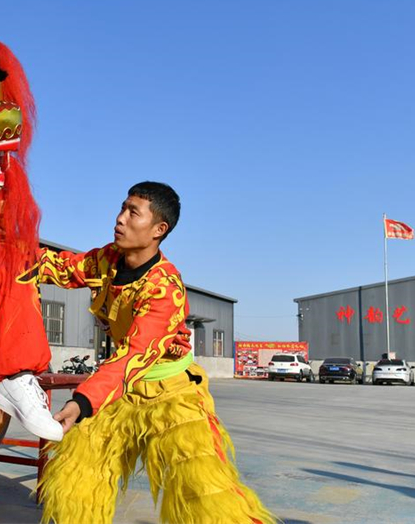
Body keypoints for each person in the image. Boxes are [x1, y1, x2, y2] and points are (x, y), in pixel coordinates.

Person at [26, 181, 275, 524]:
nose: (120, 219)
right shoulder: (106, 260)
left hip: (171, 393)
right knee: (77, 473)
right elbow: (58, 266)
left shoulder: (165, 289)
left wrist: (82, 402)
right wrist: (3, 253)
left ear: (159, 229)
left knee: (204, 494)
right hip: (122, 392)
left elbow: (133, 356)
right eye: (122, 208)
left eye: (133, 213)